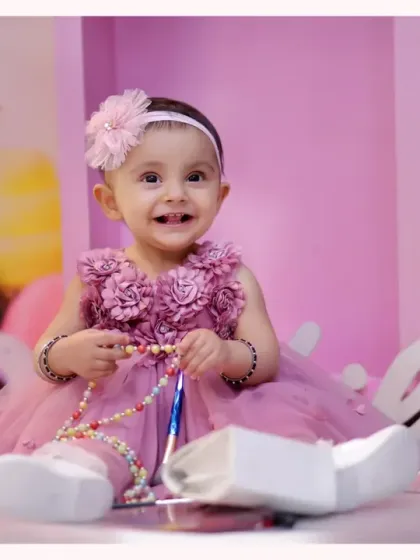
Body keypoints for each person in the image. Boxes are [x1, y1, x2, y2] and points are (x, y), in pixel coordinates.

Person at [0, 89, 417, 524]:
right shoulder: (96, 278)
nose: (176, 194)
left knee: (259, 442)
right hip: (117, 407)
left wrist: (225, 353)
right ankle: (73, 481)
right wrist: (70, 352)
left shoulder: (231, 276)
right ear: (110, 201)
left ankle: (325, 473)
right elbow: (46, 351)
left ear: (220, 195)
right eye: (150, 179)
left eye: (196, 177)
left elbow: (265, 358)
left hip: (215, 404)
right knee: (97, 446)